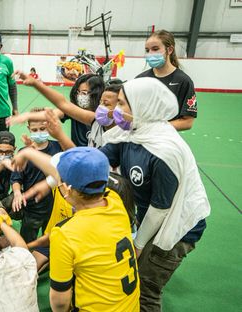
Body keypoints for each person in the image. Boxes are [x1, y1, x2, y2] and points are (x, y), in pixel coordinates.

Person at [100, 77, 210, 311]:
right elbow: (95, 162)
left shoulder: (165, 151)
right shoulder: (132, 132)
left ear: (142, 106)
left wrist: (139, 244)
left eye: (121, 104)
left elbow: (162, 208)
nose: (115, 111)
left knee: (146, 288)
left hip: (177, 225)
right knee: (135, 276)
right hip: (150, 214)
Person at [13, 146, 140, 311]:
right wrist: (28, 153)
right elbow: (78, 173)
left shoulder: (65, 234)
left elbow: (59, 301)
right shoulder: (115, 201)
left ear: (67, 189)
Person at [9, 72, 105, 147]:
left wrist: (35, 83)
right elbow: (55, 112)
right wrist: (28, 115)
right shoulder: (73, 109)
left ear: (96, 93)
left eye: (84, 93)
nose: (80, 96)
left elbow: (62, 102)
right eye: (78, 92)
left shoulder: (100, 117)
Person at [10, 108, 62, 243]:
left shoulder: (58, 148)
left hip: (54, 206)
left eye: (42, 128)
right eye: (35, 130)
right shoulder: (23, 152)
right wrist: (17, 193)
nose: (39, 133)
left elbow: (56, 175)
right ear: (29, 129)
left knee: (52, 242)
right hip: (31, 207)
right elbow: (16, 177)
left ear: (49, 126)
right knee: (26, 243)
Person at [137, 30, 197, 131]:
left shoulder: (183, 81)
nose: (150, 54)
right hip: (140, 139)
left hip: (165, 141)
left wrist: (156, 128)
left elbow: (187, 122)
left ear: (169, 50)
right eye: (147, 50)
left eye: (155, 49)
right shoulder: (140, 79)